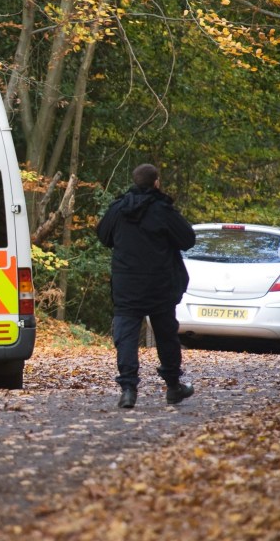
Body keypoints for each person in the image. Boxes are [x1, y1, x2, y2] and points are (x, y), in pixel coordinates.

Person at [96, 164, 197, 408]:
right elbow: (188, 240)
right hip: (159, 285)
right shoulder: (163, 210)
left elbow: (103, 236)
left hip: (126, 285)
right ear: (156, 182)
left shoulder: (118, 209)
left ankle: (128, 390)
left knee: (127, 337)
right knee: (166, 336)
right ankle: (173, 387)